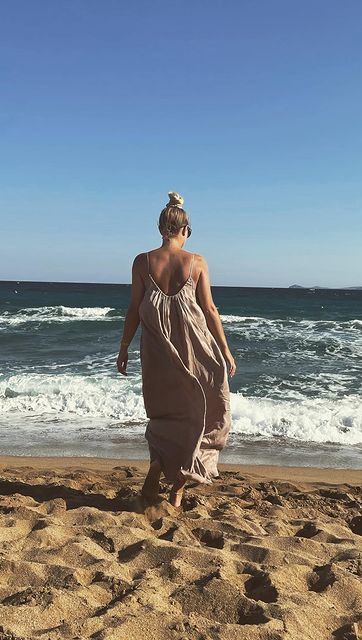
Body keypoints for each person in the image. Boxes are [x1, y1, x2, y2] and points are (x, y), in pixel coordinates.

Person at [116, 191, 236, 507]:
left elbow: (133, 309)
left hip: (156, 354)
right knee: (204, 410)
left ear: (160, 228)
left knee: (164, 413)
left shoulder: (142, 262)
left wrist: (124, 347)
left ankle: (158, 463)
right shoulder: (196, 262)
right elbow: (209, 310)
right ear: (184, 230)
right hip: (195, 350)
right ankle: (179, 485)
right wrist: (225, 350)